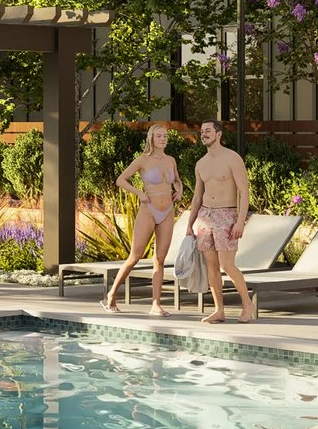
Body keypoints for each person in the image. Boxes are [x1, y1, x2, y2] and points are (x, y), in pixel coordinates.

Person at [102, 123, 183, 317]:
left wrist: (179, 190)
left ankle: (156, 304)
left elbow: (177, 181)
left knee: (160, 260)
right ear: (151, 139)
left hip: (168, 211)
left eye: (165, 136)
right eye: (159, 136)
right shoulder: (142, 160)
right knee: (135, 256)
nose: (163, 139)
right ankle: (112, 294)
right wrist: (139, 193)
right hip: (148, 209)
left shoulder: (171, 160)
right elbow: (121, 180)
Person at [186, 120, 255, 324]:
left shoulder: (232, 158)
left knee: (227, 265)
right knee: (212, 267)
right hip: (205, 216)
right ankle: (219, 311)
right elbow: (197, 197)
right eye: (201, 132)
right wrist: (190, 223)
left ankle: (247, 304)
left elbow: (244, 192)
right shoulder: (201, 163)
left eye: (208, 131)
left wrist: (241, 221)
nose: (203, 134)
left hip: (227, 215)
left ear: (219, 134)